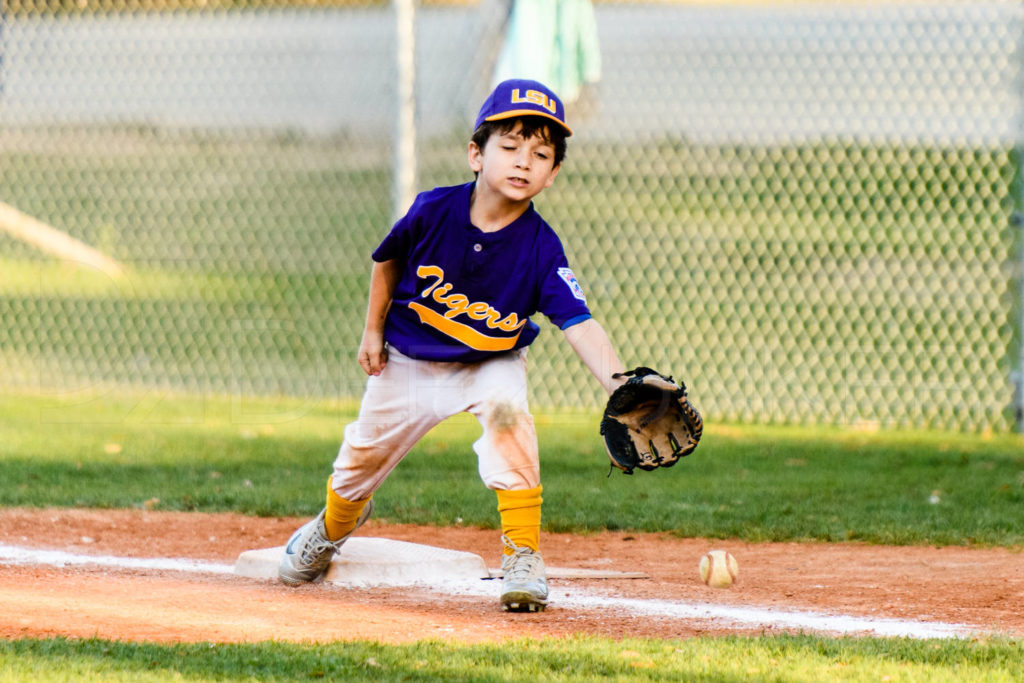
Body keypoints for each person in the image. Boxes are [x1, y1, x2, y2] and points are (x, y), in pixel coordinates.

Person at [278, 78, 626, 613]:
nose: (522, 161)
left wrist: (621, 387)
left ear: (553, 174)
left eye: (540, 153)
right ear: (475, 154)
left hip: (492, 364)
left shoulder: (540, 247)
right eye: (508, 146)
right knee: (359, 463)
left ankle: (524, 555)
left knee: (513, 432)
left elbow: (578, 321)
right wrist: (372, 329)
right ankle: (331, 528)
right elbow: (387, 260)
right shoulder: (433, 211)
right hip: (409, 363)